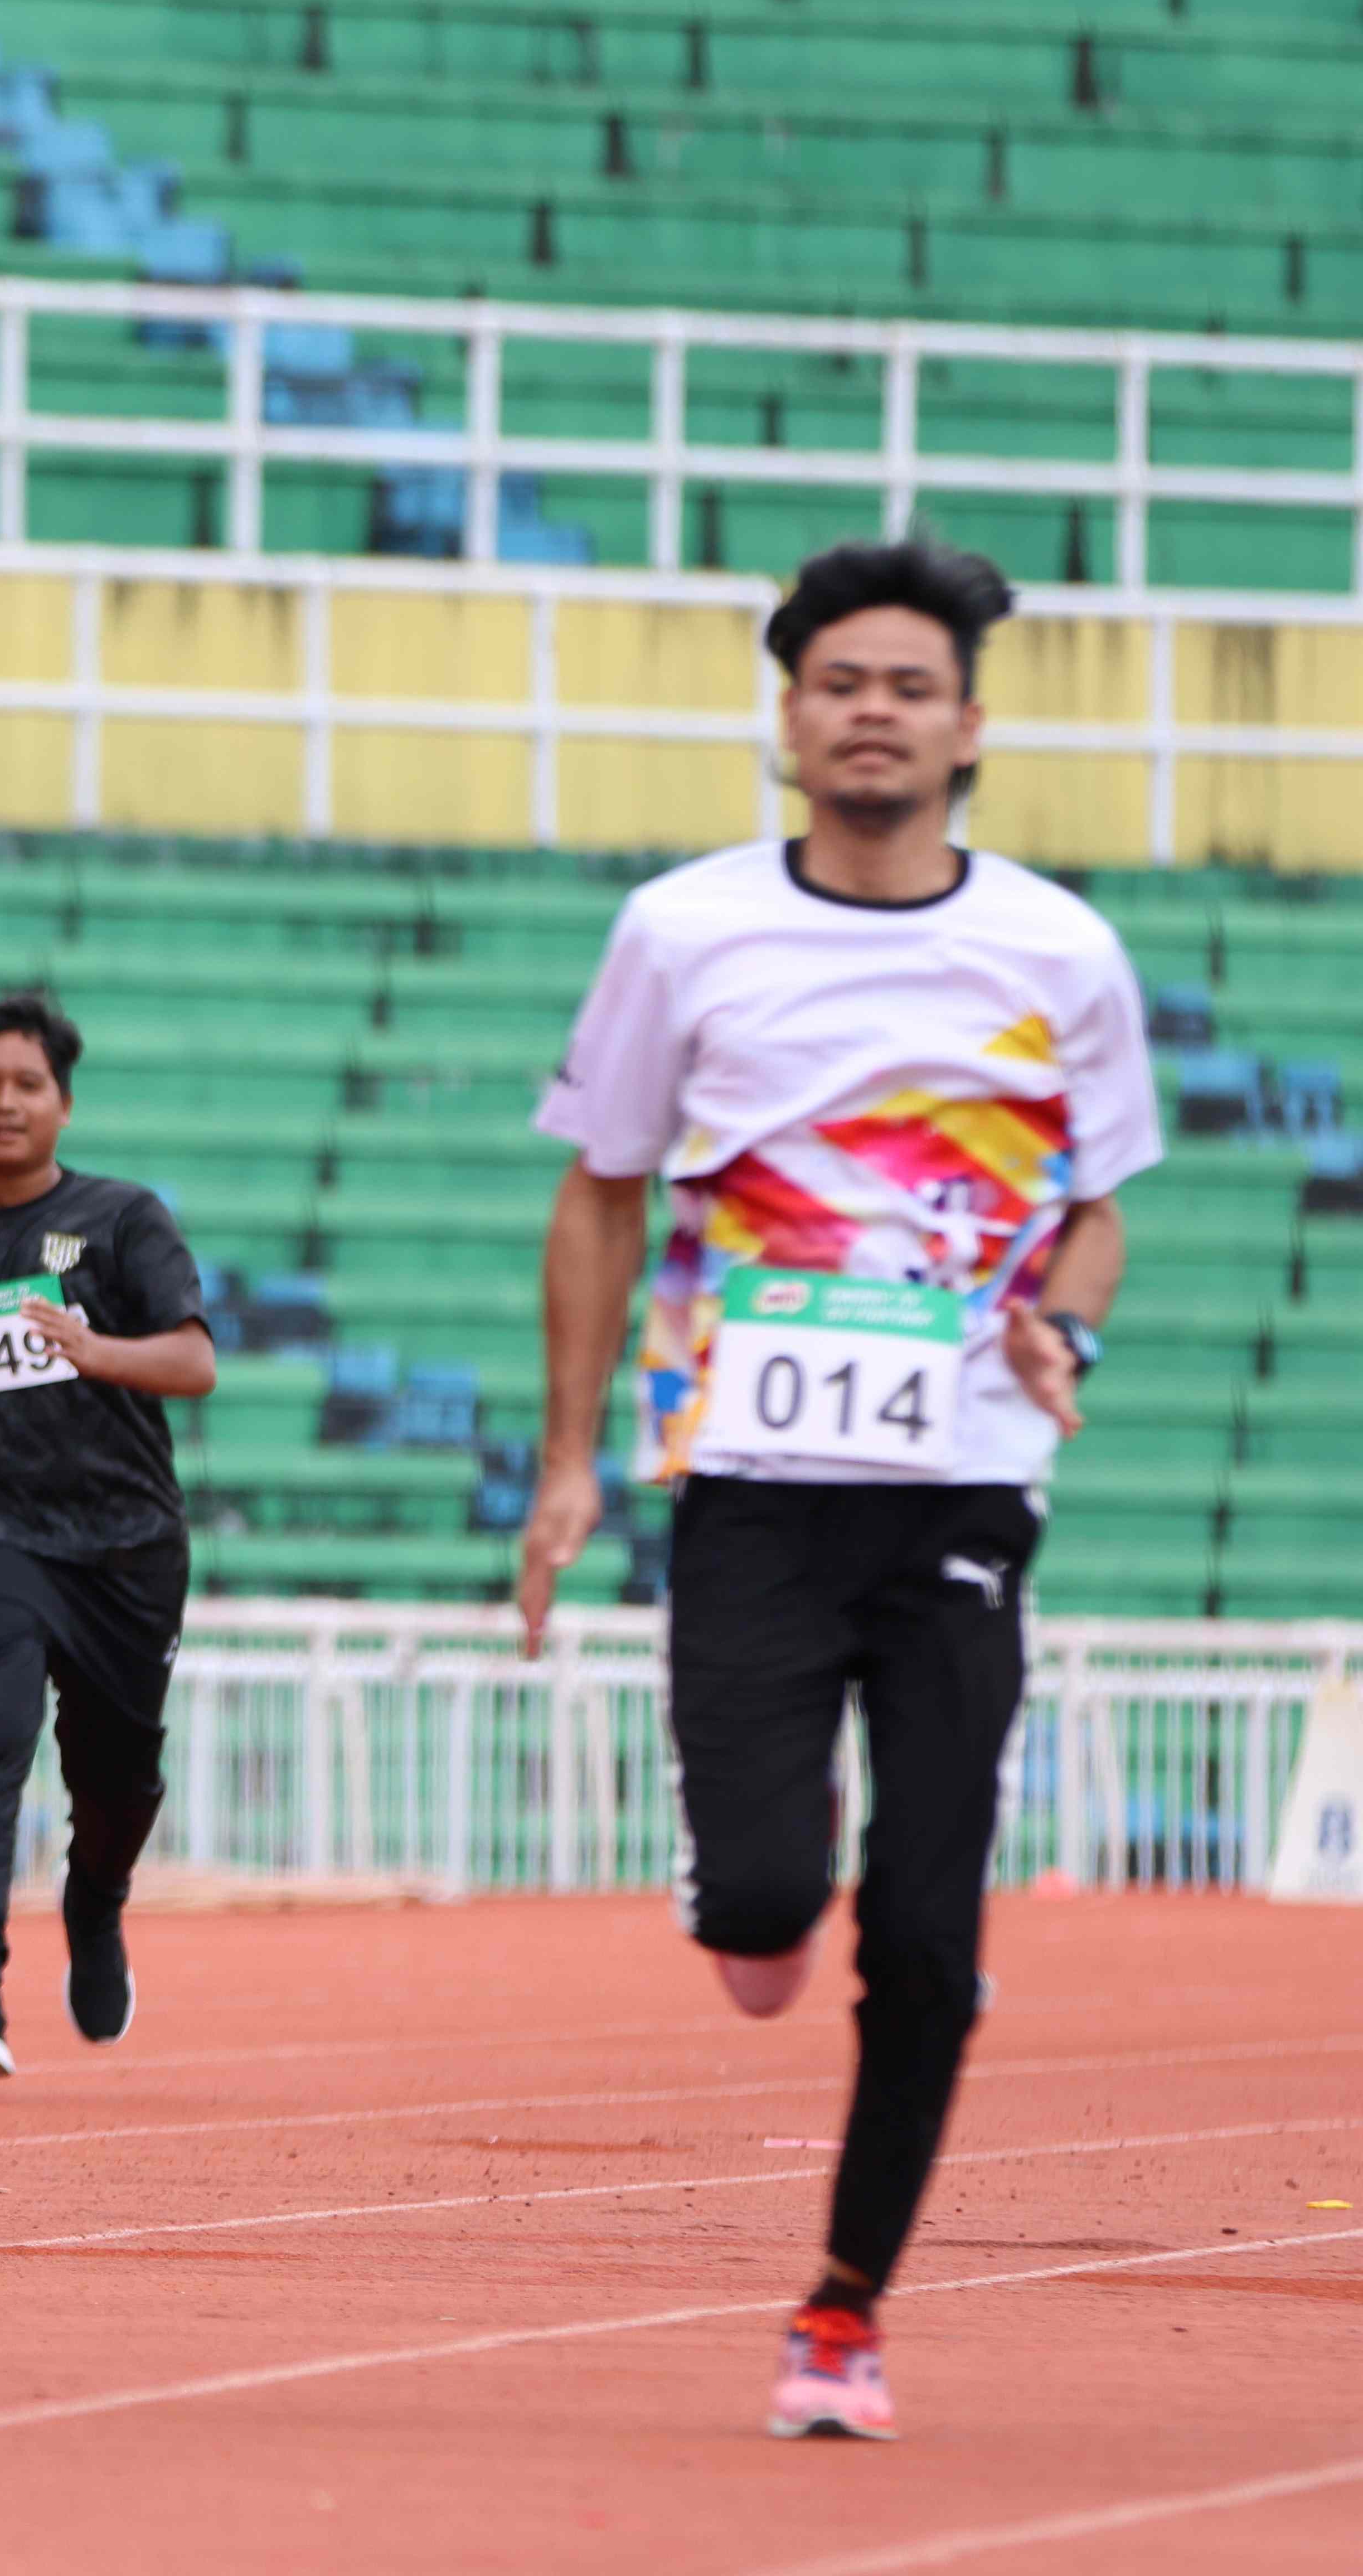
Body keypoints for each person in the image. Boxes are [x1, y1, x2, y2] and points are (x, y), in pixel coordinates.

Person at [516, 537, 1157, 2444]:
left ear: (970, 726)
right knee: (760, 1921)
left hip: (964, 1488)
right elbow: (601, 1191)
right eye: (839, 683)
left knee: (933, 1934)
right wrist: (567, 1460)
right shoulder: (682, 933)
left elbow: (1097, 1210)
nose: (873, 712)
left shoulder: (1062, 953)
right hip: (752, 1484)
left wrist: (1066, 1328)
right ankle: (762, 1867)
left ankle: (843, 2311)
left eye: (909, 686)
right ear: (791, 718)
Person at [0, 995, 214, 2079]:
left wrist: (94, 1348)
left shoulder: (124, 1221)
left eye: (27, 1084)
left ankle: (96, 1899)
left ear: (64, 1104)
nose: (5, 1102)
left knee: (119, 1775)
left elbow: (195, 1362)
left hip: (124, 1541)